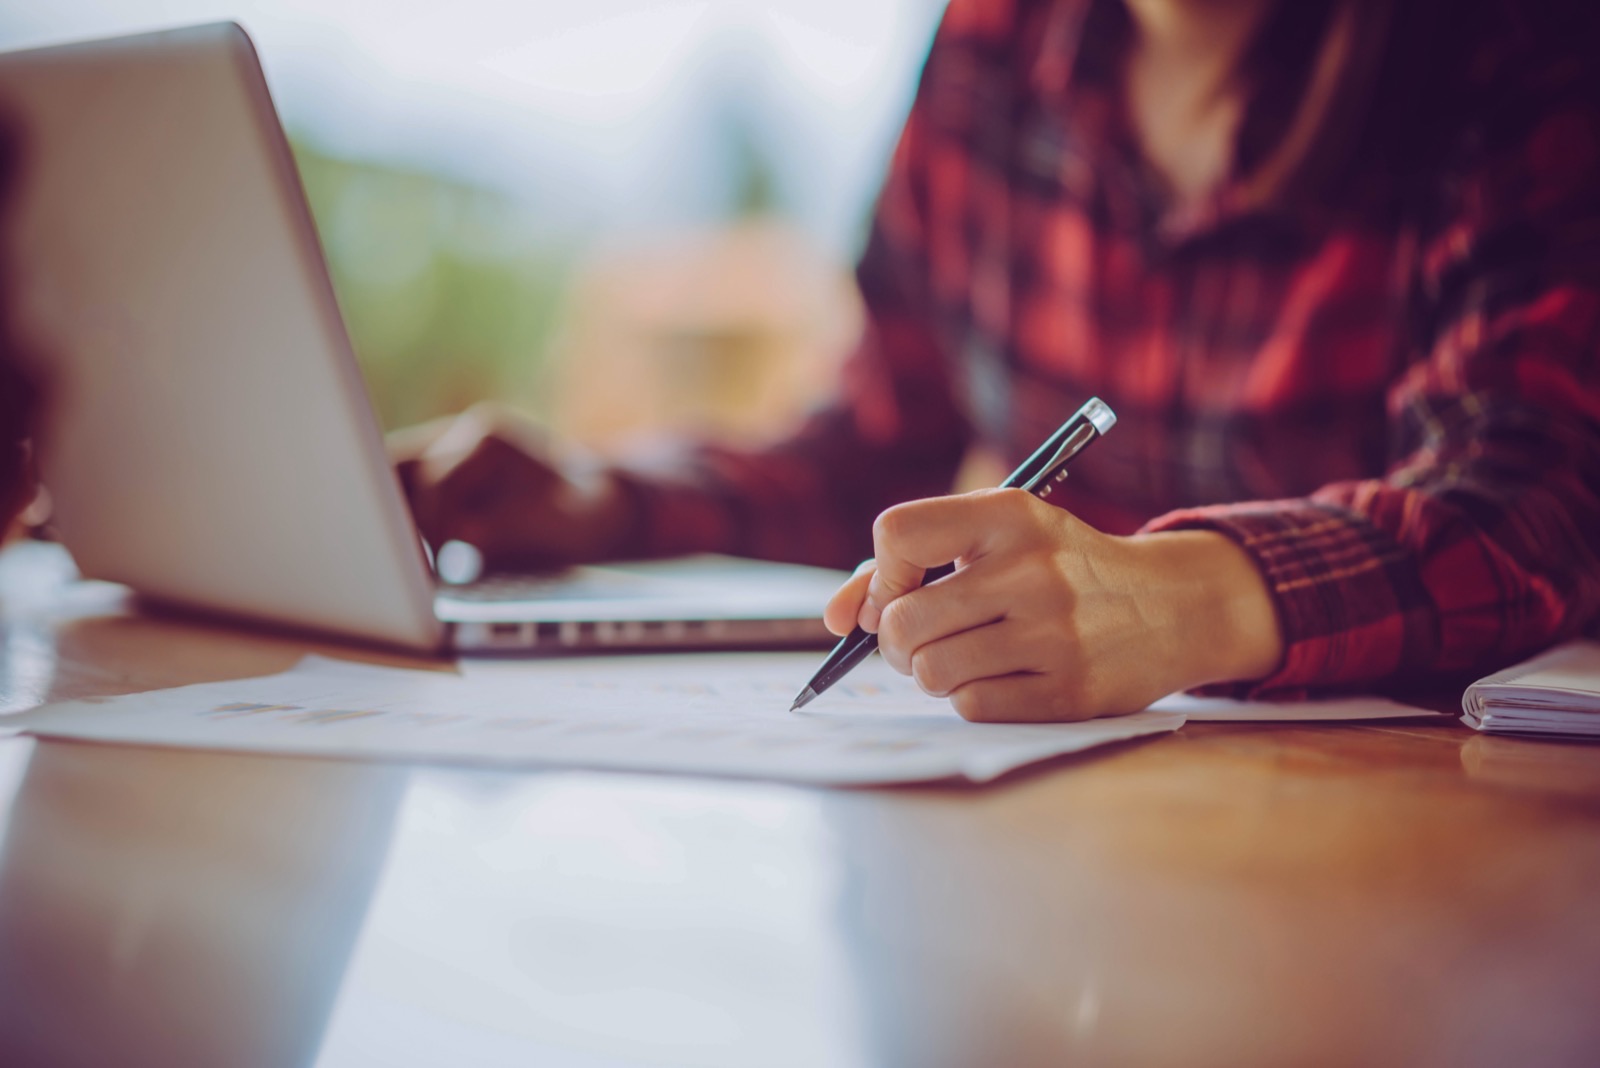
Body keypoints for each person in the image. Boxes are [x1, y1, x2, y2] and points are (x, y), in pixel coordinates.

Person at [394, 0, 1600, 722]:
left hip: (1400, 861)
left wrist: (1176, 599)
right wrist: (606, 502)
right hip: (1060, 814)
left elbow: (1540, 501)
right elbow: (881, 439)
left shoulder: (1518, 52)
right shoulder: (995, 41)